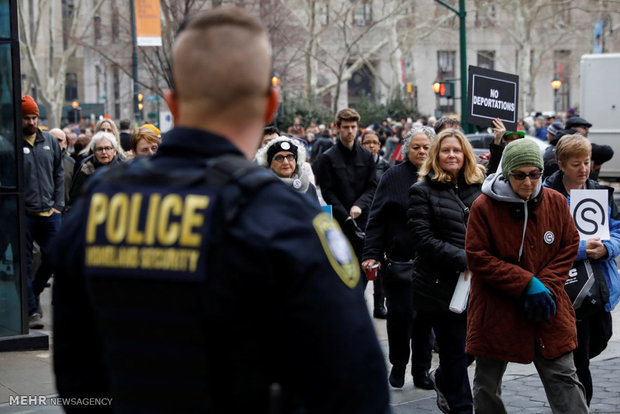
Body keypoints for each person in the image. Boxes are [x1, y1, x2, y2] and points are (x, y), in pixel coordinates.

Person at [52, 8, 389, 414]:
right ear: (271, 105)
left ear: (172, 103)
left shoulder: (95, 207)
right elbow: (357, 391)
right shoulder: (284, 221)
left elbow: (75, 380)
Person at [465, 138, 588, 413]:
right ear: (507, 173)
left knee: (564, 377)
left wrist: (545, 285)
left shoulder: (555, 201)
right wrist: (525, 282)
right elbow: (477, 255)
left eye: (535, 175)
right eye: (520, 176)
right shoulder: (484, 206)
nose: (528, 183)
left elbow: (569, 244)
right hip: (496, 310)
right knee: (486, 384)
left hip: (547, 306)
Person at [407, 128, 485, 414]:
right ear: (436, 156)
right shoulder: (421, 191)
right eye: (445, 150)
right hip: (440, 287)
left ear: (465, 153)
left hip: (478, 286)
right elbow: (424, 240)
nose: (452, 155)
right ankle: (463, 408)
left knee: (470, 351)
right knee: (455, 351)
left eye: (456, 149)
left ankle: (442, 379)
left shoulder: (480, 188)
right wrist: (467, 259)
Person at [544, 134, 620, 405]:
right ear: (561, 165)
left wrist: (607, 248)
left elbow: (617, 230)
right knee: (579, 353)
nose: (584, 169)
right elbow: (543, 240)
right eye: (576, 164)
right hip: (568, 288)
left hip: (599, 284)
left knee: (600, 338)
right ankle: (579, 403)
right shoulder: (548, 196)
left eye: (587, 162)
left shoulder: (600, 193)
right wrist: (580, 250)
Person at [362, 126, 435, 390]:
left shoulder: (439, 176)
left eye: (426, 147)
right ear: (406, 149)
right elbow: (377, 219)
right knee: (399, 317)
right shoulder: (392, 176)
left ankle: (422, 370)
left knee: (425, 320)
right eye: (416, 147)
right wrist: (371, 253)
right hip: (399, 263)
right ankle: (399, 364)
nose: (421, 151)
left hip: (432, 264)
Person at [317, 108, 377, 282]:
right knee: (341, 272)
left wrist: (359, 205)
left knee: (364, 270)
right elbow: (327, 191)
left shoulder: (367, 156)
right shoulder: (327, 158)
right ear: (337, 128)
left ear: (358, 128)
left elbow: (372, 186)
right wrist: (345, 215)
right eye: (345, 127)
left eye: (353, 127)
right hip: (340, 223)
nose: (350, 131)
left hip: (363, 221)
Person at [21, 95, 64, 329]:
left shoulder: (50, 141)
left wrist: (58, 204)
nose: (31, 122)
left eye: (34, 117)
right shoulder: (11, 144)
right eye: (26, 117)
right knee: (26, 263)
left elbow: (59, 173)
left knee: (55, 257)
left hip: (50, 213)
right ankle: (31, 311)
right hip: (25, 215)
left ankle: (36, 290)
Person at [255, 136, 319, 203]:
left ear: (296, 160)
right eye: (279, 158)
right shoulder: (263, 189)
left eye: (290, 157)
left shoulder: (308, 186)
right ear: (270, 164)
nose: (286, 162)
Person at [68, 131, 123, 203]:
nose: (104, 152)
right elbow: (76, 197)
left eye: (107, 148)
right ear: (94, 152)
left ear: (114, 151)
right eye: (99, 149)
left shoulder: (123, 167)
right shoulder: (86, 168)